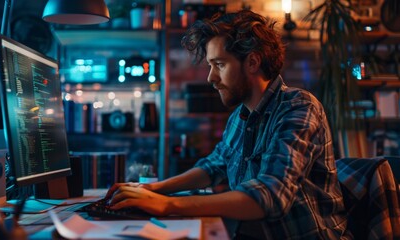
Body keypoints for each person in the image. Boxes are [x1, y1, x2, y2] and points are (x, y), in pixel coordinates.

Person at [105, 10, 350, 239]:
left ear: (252, 62)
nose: (211, 78)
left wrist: (167, 205)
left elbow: (271, 195)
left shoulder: (298, 106)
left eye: (219, 65)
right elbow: (213, 167)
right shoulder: (240, 116)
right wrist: (153, 190)